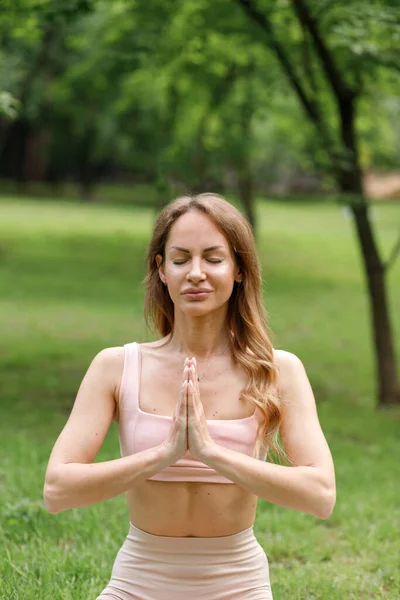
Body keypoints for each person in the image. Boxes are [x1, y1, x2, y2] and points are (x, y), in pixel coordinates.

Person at [43, 193, 336, 599]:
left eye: (213, 258)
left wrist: (212, 453)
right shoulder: (116, 367)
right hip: (138, 581)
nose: (196, 273)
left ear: (238, 269)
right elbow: (58, 489)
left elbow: (321, 495)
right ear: (161, 270)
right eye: (181, 259)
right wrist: (162, 454)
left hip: (239, 583)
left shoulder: (278, 371)